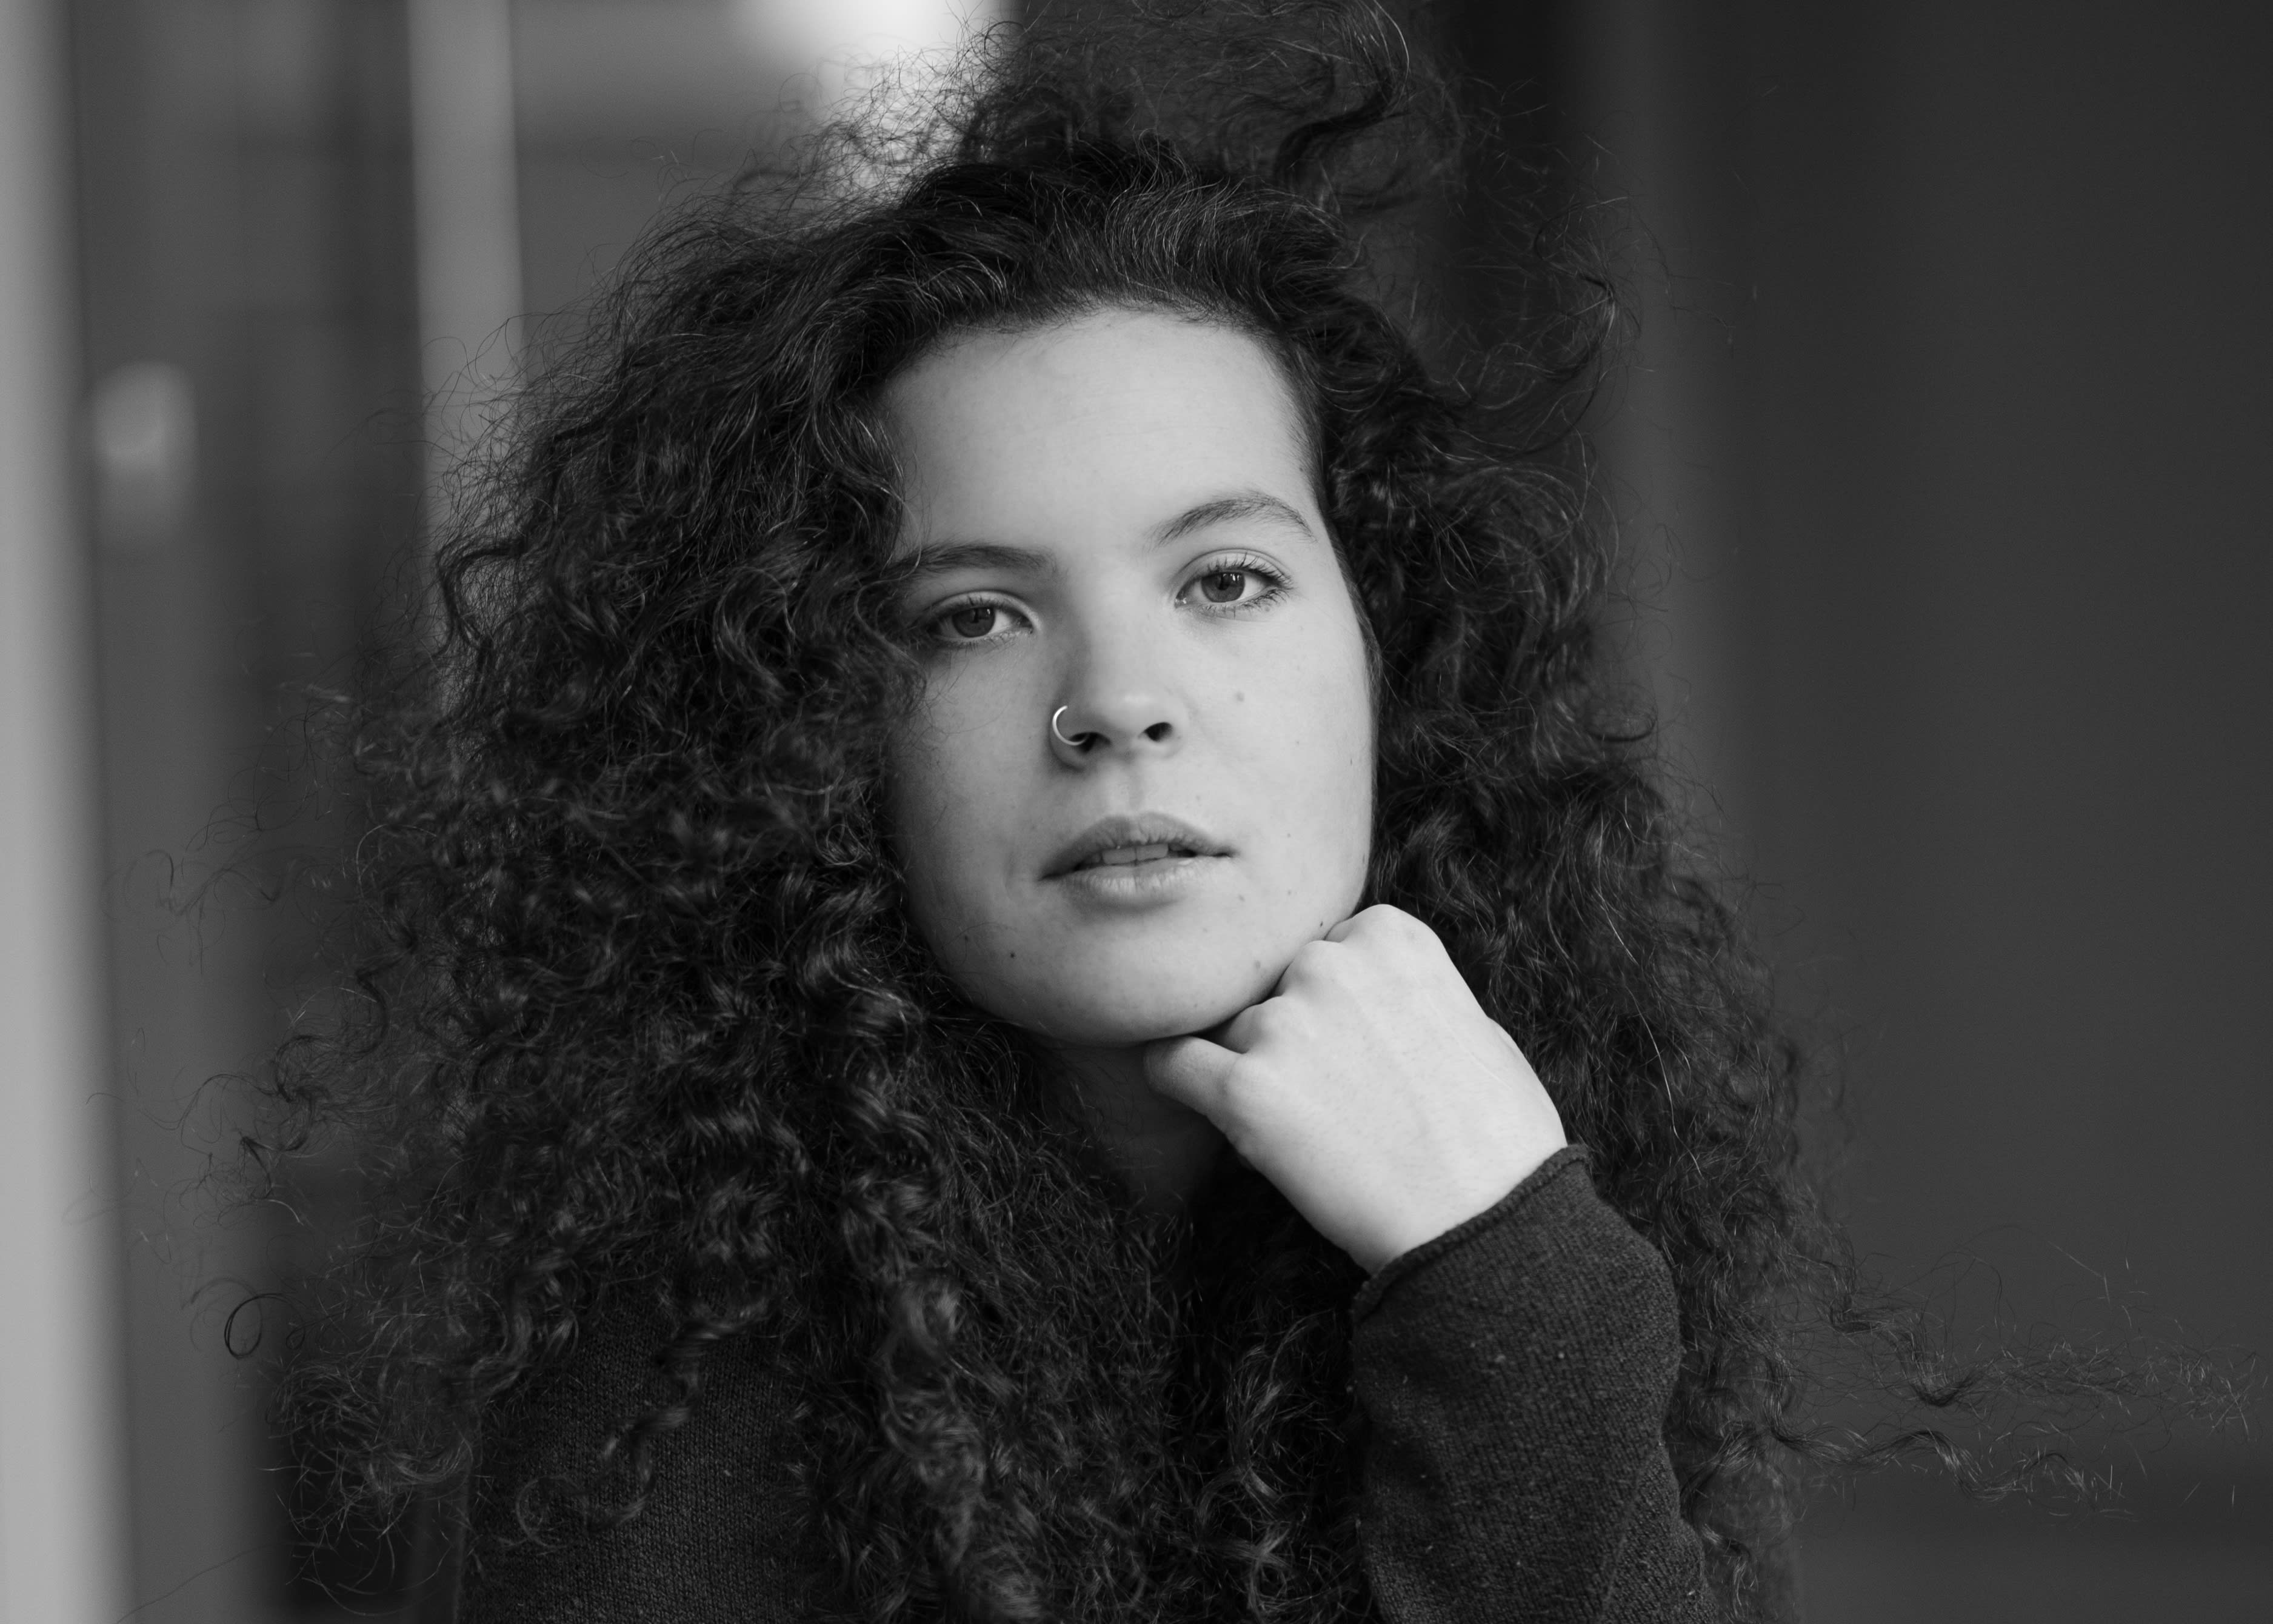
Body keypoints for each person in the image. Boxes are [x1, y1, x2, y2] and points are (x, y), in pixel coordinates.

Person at [265, 8, 1914, 1621]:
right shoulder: (667, 1400)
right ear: (818, 734)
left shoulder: (1540, 1210)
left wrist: (1494, 1260)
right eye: (974, 616)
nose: (1118, 700)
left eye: (1226, 580)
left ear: (1386, 654)